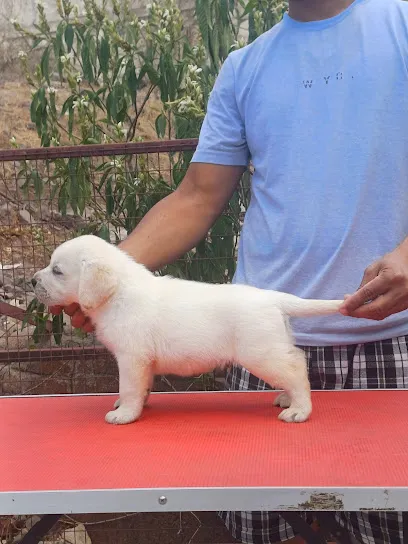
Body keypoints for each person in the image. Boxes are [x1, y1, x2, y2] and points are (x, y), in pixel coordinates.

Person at [50, 0, 408, 542]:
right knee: (262, 531)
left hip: (389, 347)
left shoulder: (402, 23)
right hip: (248, 342)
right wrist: (105, 278)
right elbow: (196, 197)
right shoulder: (247, 66)